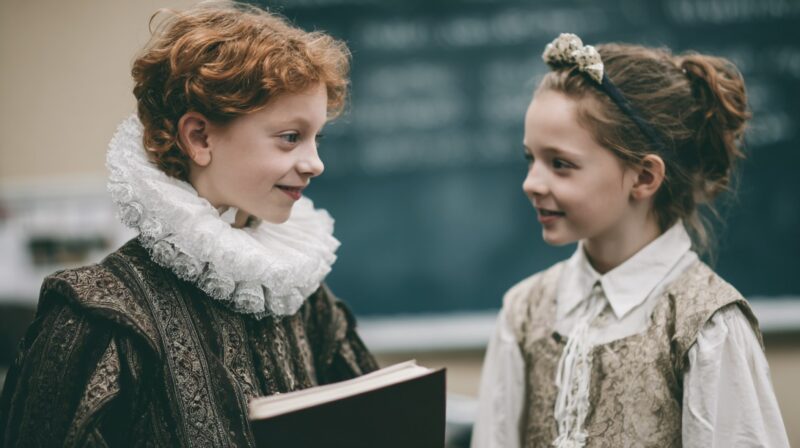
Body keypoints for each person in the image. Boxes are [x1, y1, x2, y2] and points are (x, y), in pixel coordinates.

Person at [0, 2, 378, 446]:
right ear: (199, 137)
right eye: (290, 137)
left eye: (316, 138)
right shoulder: (98, 315)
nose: (315, 163)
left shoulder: (301, 299)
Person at [471, 33, 789, 447]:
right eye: (530, 159)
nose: (531, 183)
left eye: (560, 164)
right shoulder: (524, 313)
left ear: (643, 177)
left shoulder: (706, 326)